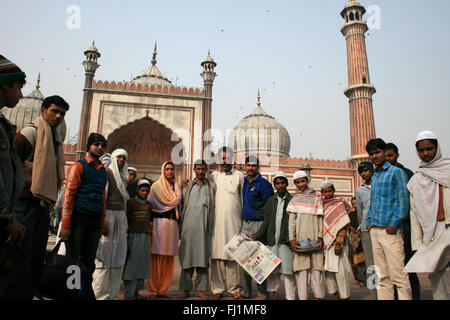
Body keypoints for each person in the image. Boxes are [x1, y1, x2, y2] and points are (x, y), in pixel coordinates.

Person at [1, 94, 68, 299]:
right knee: (19, 256)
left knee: (35, 260)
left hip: (42, 204)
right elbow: (8, 167)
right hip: (23, 203)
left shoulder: (55, 140)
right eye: (54, 111)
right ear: (43, 110)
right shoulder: (30, 133)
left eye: (62, 114)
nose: (58, 116)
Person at [58, 133, 108, 296]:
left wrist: (101, 222)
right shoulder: (78, 166)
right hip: (78, 219)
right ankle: (70, 294)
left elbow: (102, 197)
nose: (99, 148)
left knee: (88, 262)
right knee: (73, 260)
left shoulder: (102, 171)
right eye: (96, 144)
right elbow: (68, 195)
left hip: (93, 221)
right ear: (88, 146)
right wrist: (65, 224)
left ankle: (83, 293)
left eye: (102, 145)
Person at [404, 130, 450, 300]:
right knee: (438, 277)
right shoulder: (416, 180)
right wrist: (417, 244)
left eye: (429, 149)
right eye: (421, 150)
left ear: (437, 148)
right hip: (434, 232)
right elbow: (414, 214)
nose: (425, 153)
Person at [365, 138, 412, 300]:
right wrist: (369, 222)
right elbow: (373, 202)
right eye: (371, 154)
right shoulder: (375, 176)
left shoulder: (397, 173)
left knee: (398, 275)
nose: (374, 156)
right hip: (375, 231)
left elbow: (403, 202)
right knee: (382, 276)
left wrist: (393, 224)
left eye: (377, 152)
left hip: (390, 232)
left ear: (385, 153)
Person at [0, 55, 26, 282]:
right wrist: (7, 219)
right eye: (18, 86)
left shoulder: (4, 126)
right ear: (4, 84)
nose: (20, 94)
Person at [92, 148, 129, 300]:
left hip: (120, 217)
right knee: (103, 258)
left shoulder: (122, 176)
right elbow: (100, 196)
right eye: (119, 157)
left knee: (119, 257)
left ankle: (113, 295)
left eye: (124, 159)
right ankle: (99, 295)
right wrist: (102, 220)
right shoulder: (106, 174)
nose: (121, 160)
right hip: (107, 215)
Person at [385, 142, 421, 300]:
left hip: (405, 226)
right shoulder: (380, 175)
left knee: (407, 267)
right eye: (385, 156)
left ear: (397, 155)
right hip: (387, 229)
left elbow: (414, 202)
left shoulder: (406, 173)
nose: (388, 159)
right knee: (389, 269)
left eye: (390, 155)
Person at [252, 171, 295, 300]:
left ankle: (290, 296)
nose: (280, 185)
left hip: (285, 241)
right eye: (277, 183)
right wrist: (257, 235)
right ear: (274, 185)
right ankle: (274, 293)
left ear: (286, 184)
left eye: (282, 183)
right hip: (272, 240)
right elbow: (266, 221)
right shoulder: (271, 201)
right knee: (272, 270)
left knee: (288, 271)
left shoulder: (292, 200)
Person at [209, 146, 245, 300]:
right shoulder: (213, 176)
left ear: (232, 159)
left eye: (228, 158)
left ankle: (233, 288)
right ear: (218, 160)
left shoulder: (240, 176)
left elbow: (244, 199)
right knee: (217, 256)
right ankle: (217, 289)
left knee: (233, 256)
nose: (225, 161)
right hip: (217, 223)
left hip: (234, 222)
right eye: (222, 158)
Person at [179, 159, 216, 300]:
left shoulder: (211, 186)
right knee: (186, 259)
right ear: (194, 169)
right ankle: (185, 289)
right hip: (188, 229)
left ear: (206, 170)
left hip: (204, 228)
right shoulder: (188, 186)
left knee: (202, 260)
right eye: (198, 169)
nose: (200, 171)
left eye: (203, 169)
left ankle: (200, 289)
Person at [287, 170, 325, 300]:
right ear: (295, 184)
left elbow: (320, 219)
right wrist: (291, 239)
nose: (301, 184)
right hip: (300, 238)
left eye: (303, 181)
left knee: (316, 270)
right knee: (301, 271)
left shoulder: (317, 197)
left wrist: (320, 236)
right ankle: (303, 297)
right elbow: (291, 222)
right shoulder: (294, 199)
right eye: (298, 182)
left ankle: (318, 296)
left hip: (314, 237)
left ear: (307, 181)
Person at [240, 155, 273, 300]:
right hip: (245, 224)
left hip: (258, 224)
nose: (251, 168)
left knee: (260, 262)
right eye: (248, 165)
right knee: (244, 260)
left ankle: (262, 293)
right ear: (245, 167)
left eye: (254, 166)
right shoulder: (244, 183)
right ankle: (245, 292)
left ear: (258, 167)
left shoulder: (264, 184)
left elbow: (269, 209)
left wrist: (261, 231)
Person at [147, 161, 182, 299]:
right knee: (157, 257)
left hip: (172, 225)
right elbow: (150, 206)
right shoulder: (156, 187)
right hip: (158, 225)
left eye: (172, 169)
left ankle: (162, 289)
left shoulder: (177, 188)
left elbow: (178, 207)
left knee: (168, 258)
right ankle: (153, 289)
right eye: (167, 169)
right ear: (163, 171)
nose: (170, 171)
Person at [321, 180, 351, 300]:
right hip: (325, 244)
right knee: (328, 272)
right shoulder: (321, 205)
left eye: (329, 191)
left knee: (341, 272)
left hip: (337, 244)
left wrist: (339, 242)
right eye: (325, 192)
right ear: (322, 192)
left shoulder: (339, 204)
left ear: (333, 191)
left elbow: (343, 225)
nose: (328, 194)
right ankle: (335, 295)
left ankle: (345, 296)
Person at [122, 178, 152, 300]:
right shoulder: (130, 203)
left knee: (142, 266)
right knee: (132, 266)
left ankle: (136, 293)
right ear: (138, 190)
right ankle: (129, 294)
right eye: (142, 190)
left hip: (146, 237)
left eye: (147, 191)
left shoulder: (149, 205)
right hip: (134, 237)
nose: (144, 193)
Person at [356, 161, 378, 299]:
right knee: (371, 265)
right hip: (366, 229)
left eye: (366, 170)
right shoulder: (359, 190)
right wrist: (361, 226)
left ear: (371, 170)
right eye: (361, 172)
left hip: (381, 227)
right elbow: (359, 210)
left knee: (384, 263)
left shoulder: (380, 184)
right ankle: (374, 295)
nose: (364, 174)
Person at [347, 196, 366, 288]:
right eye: (353, 204)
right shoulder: (350, 215)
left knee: (362, 260)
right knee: (353, 259)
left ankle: (364, 279)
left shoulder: (364, 214)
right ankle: (358, 279)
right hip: (352, 240)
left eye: (356, 203)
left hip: (362, 239)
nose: (355, 205)